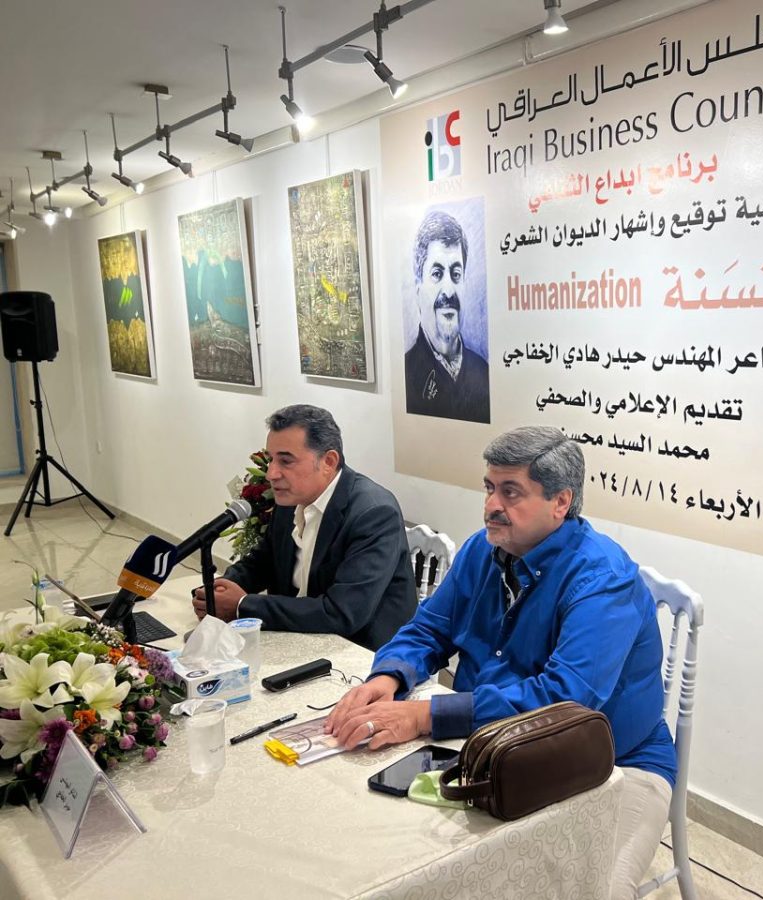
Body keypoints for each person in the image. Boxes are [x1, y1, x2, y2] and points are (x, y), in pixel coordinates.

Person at [325, 426, 674, 898]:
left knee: (596, 891)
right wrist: (389, 676)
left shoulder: (602, 580)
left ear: (561, 502)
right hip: (488, 743)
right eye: (489, 487)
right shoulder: (482, 549)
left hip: (611, 763)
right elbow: (429, 628)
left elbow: (565, 702)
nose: (491, 504)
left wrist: (425, 715)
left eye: (511, 492)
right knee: (391, 852)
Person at [191, 405, 417, 651]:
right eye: (271, 459)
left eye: (285, 461)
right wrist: (218, 591)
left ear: (328, 462)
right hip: (301, 635)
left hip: (363, 651)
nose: (271, 473)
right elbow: (263, 562)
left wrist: (241, 605)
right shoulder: (291, 499)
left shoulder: (374, 513)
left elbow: (342, 613)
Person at [404, 209, 490, 423]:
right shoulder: (405, 373)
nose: (449, 291)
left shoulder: (483, 371)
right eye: (437, 274)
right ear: (418, 290)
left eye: (456, 274)